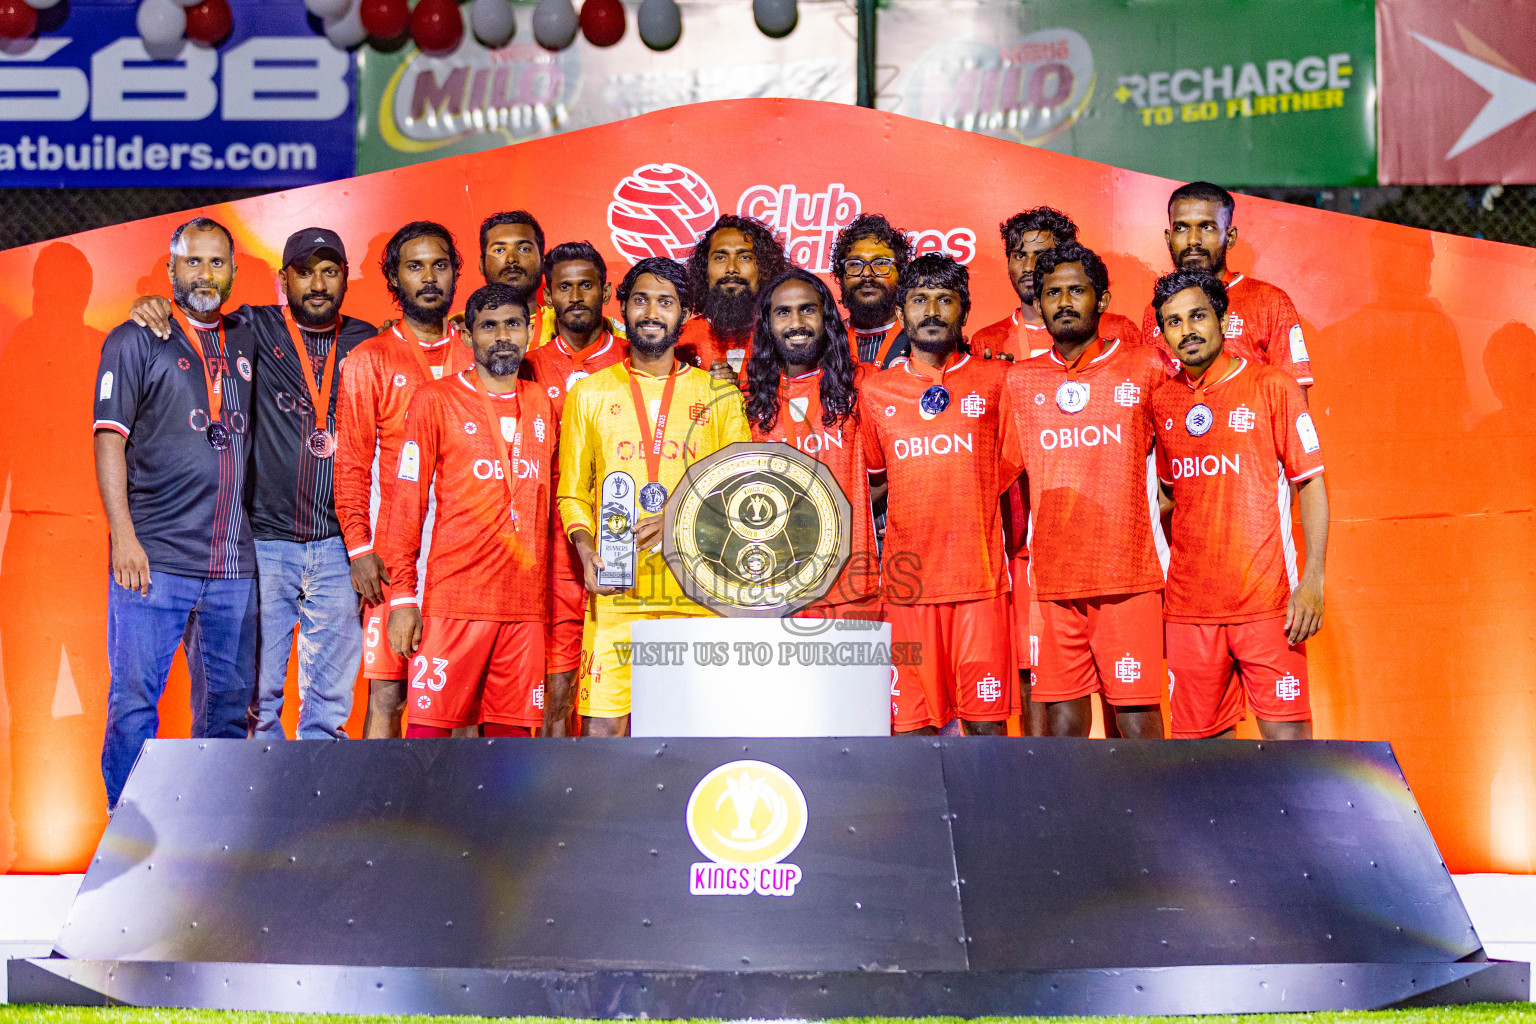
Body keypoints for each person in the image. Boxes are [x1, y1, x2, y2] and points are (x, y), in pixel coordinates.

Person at [127, 228, 377, 740]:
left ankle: (315, 812)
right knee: (255, 701)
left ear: (346, 278)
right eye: (304, 272)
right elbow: (196, 314)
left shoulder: (369, 341)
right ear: (284, 279)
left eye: (330, 272)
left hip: (339, 546)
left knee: (330, 707)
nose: (317, 284)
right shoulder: (251, 326)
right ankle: (261, 811)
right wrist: (153, 304)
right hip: (263, 543)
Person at [93, 217, 257, 809]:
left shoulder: (249, 336)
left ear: (234, 272)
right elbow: (109, 438)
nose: (205, 274)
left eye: (217, 263)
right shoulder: (135, 339)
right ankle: (127, 837)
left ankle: (206, 836)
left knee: (228, 708)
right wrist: (124, 538)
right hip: (154, 558)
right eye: (193, 262)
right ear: (170, 271)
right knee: (135, 701)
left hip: (235, 565)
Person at [557, 257, 750, 736]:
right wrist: (585, 550)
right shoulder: (590, 394)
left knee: (690, 736)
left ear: (684, 315)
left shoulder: (719, 396)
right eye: (640, 299)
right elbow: (572, 493)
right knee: (603, 733)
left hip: (697, 595)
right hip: (617, 591)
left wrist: (678, 518)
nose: (651, 312)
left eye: (665, 302)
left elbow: (741, 489)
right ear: (621, 308)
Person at [999, 242, 1176, 739]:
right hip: (1054, 581)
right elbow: (1001, 473)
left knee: (1137, 720)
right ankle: (1071, 820)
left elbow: (1178, 467)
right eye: (1052, 292)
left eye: (1077, 290)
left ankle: (1149, 818)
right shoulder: (1021, 380)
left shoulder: (1146, 366)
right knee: (1062, 724)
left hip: (1129, 576)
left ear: (1102, 300)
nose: (1064, 302)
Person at [1149, 270, 1327, 739]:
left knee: (1291, 758)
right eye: (1172, 322)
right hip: (1188, 611)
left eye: (1197, 316)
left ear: (1223, 319)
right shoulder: (1162, 401)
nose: (1186, 330)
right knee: (1205, 770)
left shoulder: (1273, 387)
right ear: (1163, 334)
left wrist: (1311, 580)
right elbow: (1168, 494)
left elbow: (1310, 485)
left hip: (1267, 606)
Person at [382, 283, 558, 738]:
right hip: (454, 605)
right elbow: (407, 504)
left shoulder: (541, 403)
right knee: (427, 749)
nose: (502, 336)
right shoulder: (434, 399)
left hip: (524, 610)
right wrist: (402, 598)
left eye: (513, 325)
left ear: (530, 330)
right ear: (466, 334)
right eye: (489, 326)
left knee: (510, 760)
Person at [859, 254, 1015, 735]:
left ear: (964, 311)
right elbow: (875, 482)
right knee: (914, 731)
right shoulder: (876, 393)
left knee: (986, 731)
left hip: (980, 585)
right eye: (920, 300)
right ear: (902, 312)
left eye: (945, 300)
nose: (932, 311)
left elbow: (1011, 473)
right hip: (909, 590)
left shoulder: (997, 380)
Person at [335, 221, 472, 738]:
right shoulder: (370, 358)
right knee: (388, 696)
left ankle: (462, 816)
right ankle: (380, 815)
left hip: (464, 557)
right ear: (395, 278)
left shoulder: (477, 352)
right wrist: (359, 547)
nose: (429, 277)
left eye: (440, 264)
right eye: (415, 267)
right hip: (396, 560)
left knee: (462, 699)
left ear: (456, 273)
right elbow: (350, 461)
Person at [522, 242, 628, 735]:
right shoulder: (529, 365)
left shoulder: (633, 360)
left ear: (606, 291)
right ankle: (557, 802)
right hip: (551, 549)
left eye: (587, 284)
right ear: (548, 296)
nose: (577, 295)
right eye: (565, 286)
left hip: (625, 545)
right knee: (556, 685)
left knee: (624, 688)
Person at [744, 269, 881, 618]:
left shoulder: (865, 386)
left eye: (808, 309)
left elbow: (886, 474)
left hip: (851, 585)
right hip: (773, 589)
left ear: (827, 317)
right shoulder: (747, 402)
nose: (796, 322)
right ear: (767, 324)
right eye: (783, 312)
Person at [1140, 182, 1314, 388]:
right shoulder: (1156, 309)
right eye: (1181, 228)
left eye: (1206, 227)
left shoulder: (1270, 302)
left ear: (1229, 237)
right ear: (1169, 239)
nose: (1193, 240)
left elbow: (1293, 399)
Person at [971, 207, 1141, 362]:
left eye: (1041, 255)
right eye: (1020, 256)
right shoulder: (987, 341)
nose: (1029, 267)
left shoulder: (1117, 329)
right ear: (1008, 265)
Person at [678, 215, 790, 377]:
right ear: (705, 271)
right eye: (720, 258)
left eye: (744, 257)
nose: (731, 268)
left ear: (765, 269)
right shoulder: (681, 340)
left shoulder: (785, 337)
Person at [830, 213, 911, 368]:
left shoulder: (920, 338)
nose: (867, 273)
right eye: (854, 264)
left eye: (880, 263)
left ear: (901, 273)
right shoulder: (827, 341)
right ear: (841, 277)